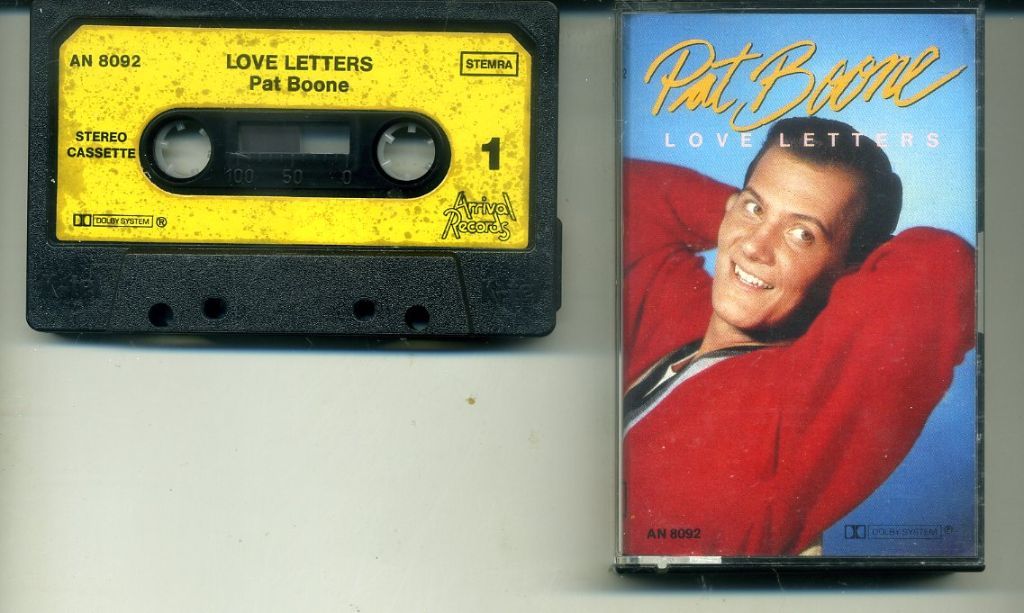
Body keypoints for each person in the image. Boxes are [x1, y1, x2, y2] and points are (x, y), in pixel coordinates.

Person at [621, 117, 975, 557]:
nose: (755, 247)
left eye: (802, 235)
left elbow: (943, 268)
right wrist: (736, 213)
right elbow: (622, 193)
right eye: (754, 208)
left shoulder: (802, 399)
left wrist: (842, 266)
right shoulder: (675, 312)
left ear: (849, 267)